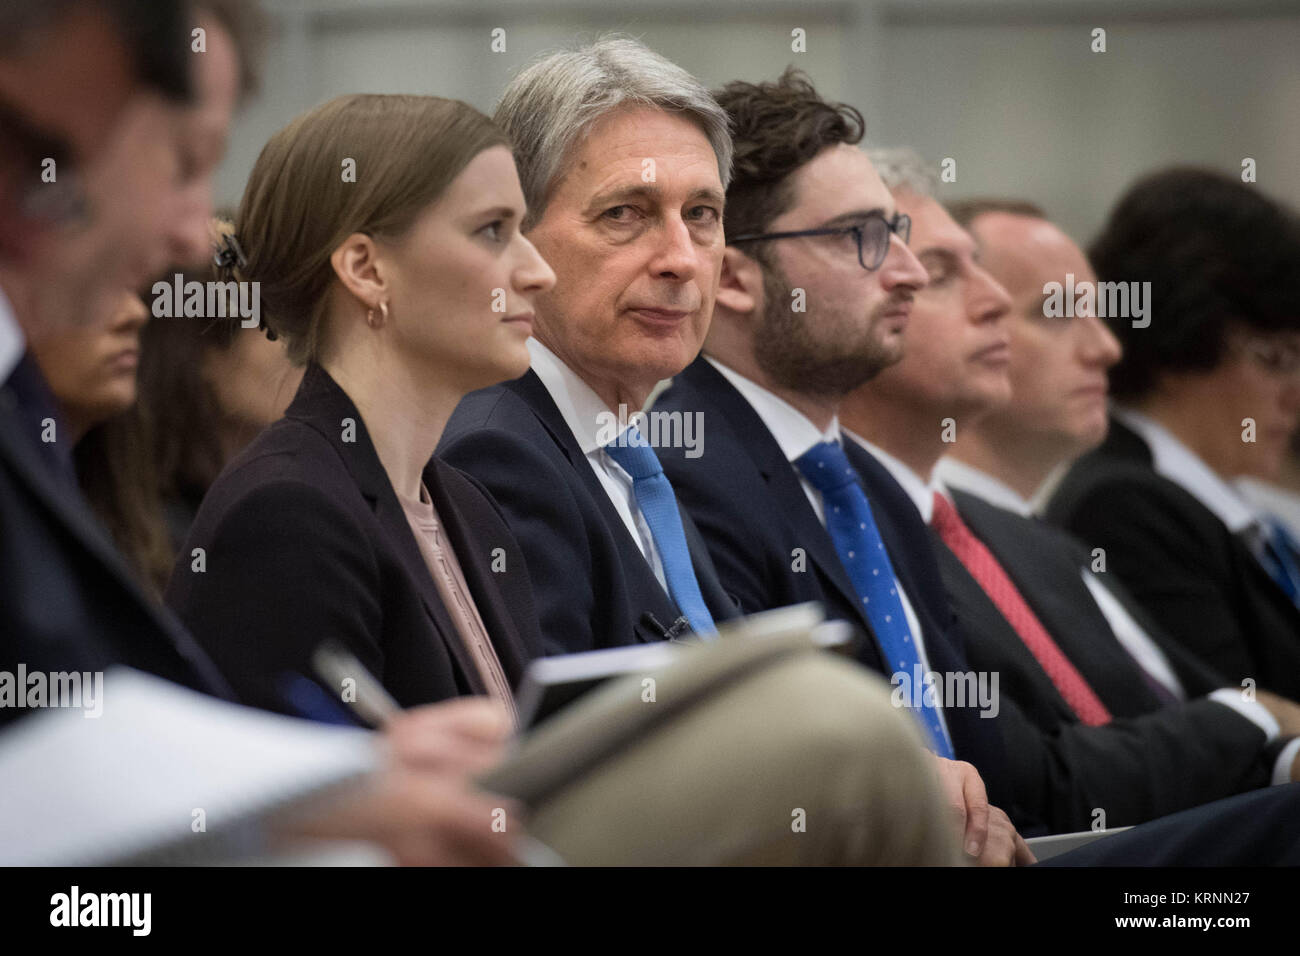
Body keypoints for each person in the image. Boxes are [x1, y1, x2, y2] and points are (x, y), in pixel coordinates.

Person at [836, 158, 1300, 830]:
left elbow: (1176, 719)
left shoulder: (1021, 535)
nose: (1110, 347)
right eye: (1058, 313)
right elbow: (1042, 788)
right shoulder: (873, 527)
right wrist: (1256, 717)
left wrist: (1273, 745)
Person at [651, 70, 1029, 862]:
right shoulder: (677, 472)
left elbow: (988, 758)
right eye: (861, 237)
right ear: (740, 278)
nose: (909, 272)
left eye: (895, 231)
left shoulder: (864, 481)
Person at [166, 94, 553, 723]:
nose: (539, 272)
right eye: (493, 231)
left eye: (523, 230)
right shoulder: (287, 514)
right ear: (367, 269)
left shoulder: (471, 508)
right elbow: (297, 810)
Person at [439, 36, 740, 655]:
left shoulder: (626, 448)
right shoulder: (495, 453)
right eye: (626, 213)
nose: (681, 260)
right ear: (513, 235)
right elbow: (573, 744)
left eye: (703, 213)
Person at [1044, 168, 1300, 699]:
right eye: (1277, 359)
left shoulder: (1249, 514)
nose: (1294, 394)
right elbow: (1233, 725)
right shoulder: (1125, 506)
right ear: (1181, 343)